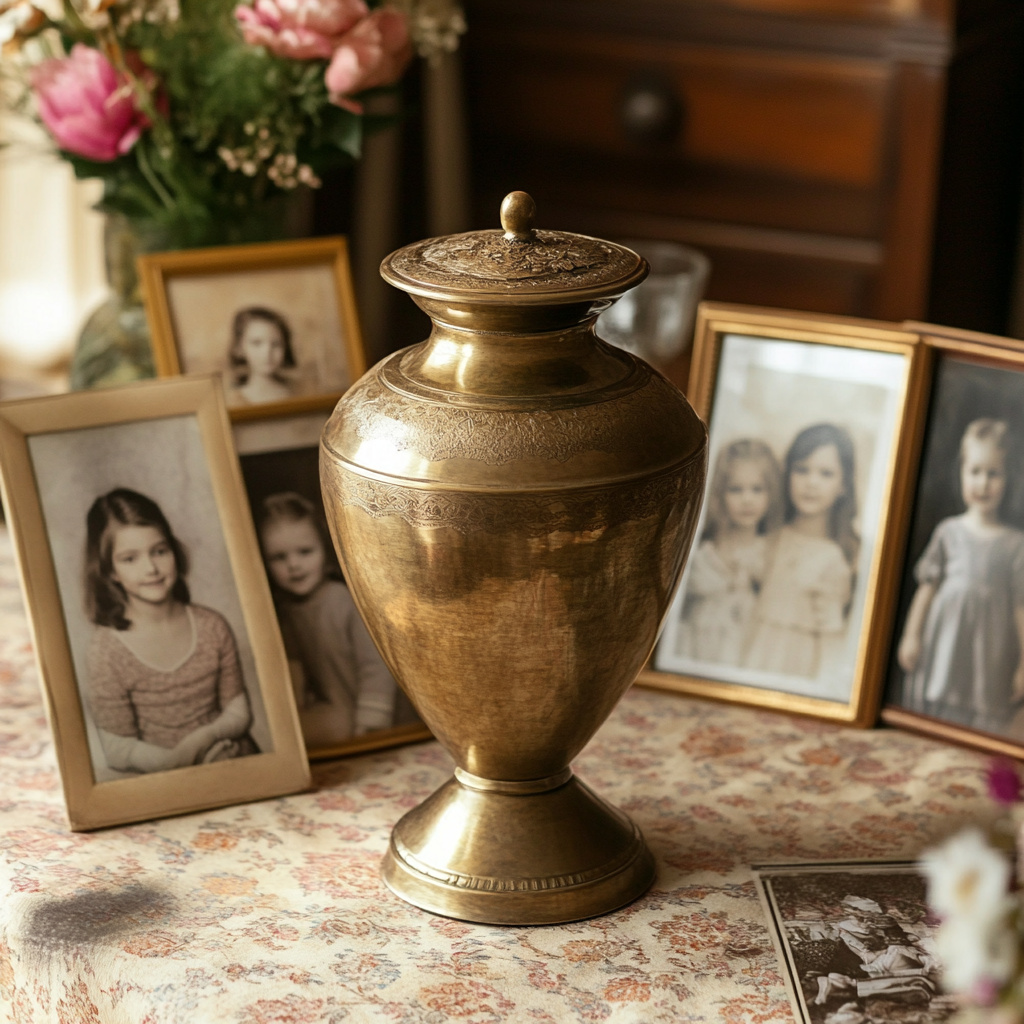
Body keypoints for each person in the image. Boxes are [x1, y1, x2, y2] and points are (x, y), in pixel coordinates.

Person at [84, 488, 255, 774]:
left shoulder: (212, 625)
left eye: (159, 551)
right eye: (130, 559)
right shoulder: (105, 651)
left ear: (173, 551)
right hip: (168, 775)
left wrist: (205, 739)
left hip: (232, 759)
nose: (151, 568)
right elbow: (116, 748)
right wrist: (180, 759)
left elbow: (238, 710)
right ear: (109, 571)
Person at [897, 418, 1024, 732]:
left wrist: (1023, 663)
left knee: (983, 709)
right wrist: (911, 635)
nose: (982, 484)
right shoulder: (949, 532)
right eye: (975, 472)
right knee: (935, 706)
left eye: (993, 474)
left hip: (988, 653)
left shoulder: (1015, 543)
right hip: (944, 645)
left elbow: (1021, 608)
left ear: (1008, 479)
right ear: (962, 473)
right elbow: (928, 589)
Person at [256, 492, 400, 749]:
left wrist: (371, 723)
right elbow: (295, 669)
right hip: (335, 710)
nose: (293, 565)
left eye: (305, 552)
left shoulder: (343, 600)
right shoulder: (286, 613)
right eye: (279, 558)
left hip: (373, 712)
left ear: (325, 547)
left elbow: (376, 665)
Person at [745, 423, 857, 680]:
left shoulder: (833, 560)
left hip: (796, 668)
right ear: (787, 475)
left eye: (826, 473)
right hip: (752, 656)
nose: (811, 483)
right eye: (802, 470)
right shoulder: (768, 540)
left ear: (844, 485)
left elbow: (830, 642)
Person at [675, 439, 783, 664]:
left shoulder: (771, 555)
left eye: (757, 489)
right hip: (696, 652)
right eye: (736, 489)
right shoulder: (703, 555)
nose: (747, 500)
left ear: (771, 493)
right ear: (719, 493)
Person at [227, 306, 296, 406]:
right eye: (256, 343)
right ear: (239, 348)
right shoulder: (232, 402)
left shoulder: (295, 395)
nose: (267, 353)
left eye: (276, 344)